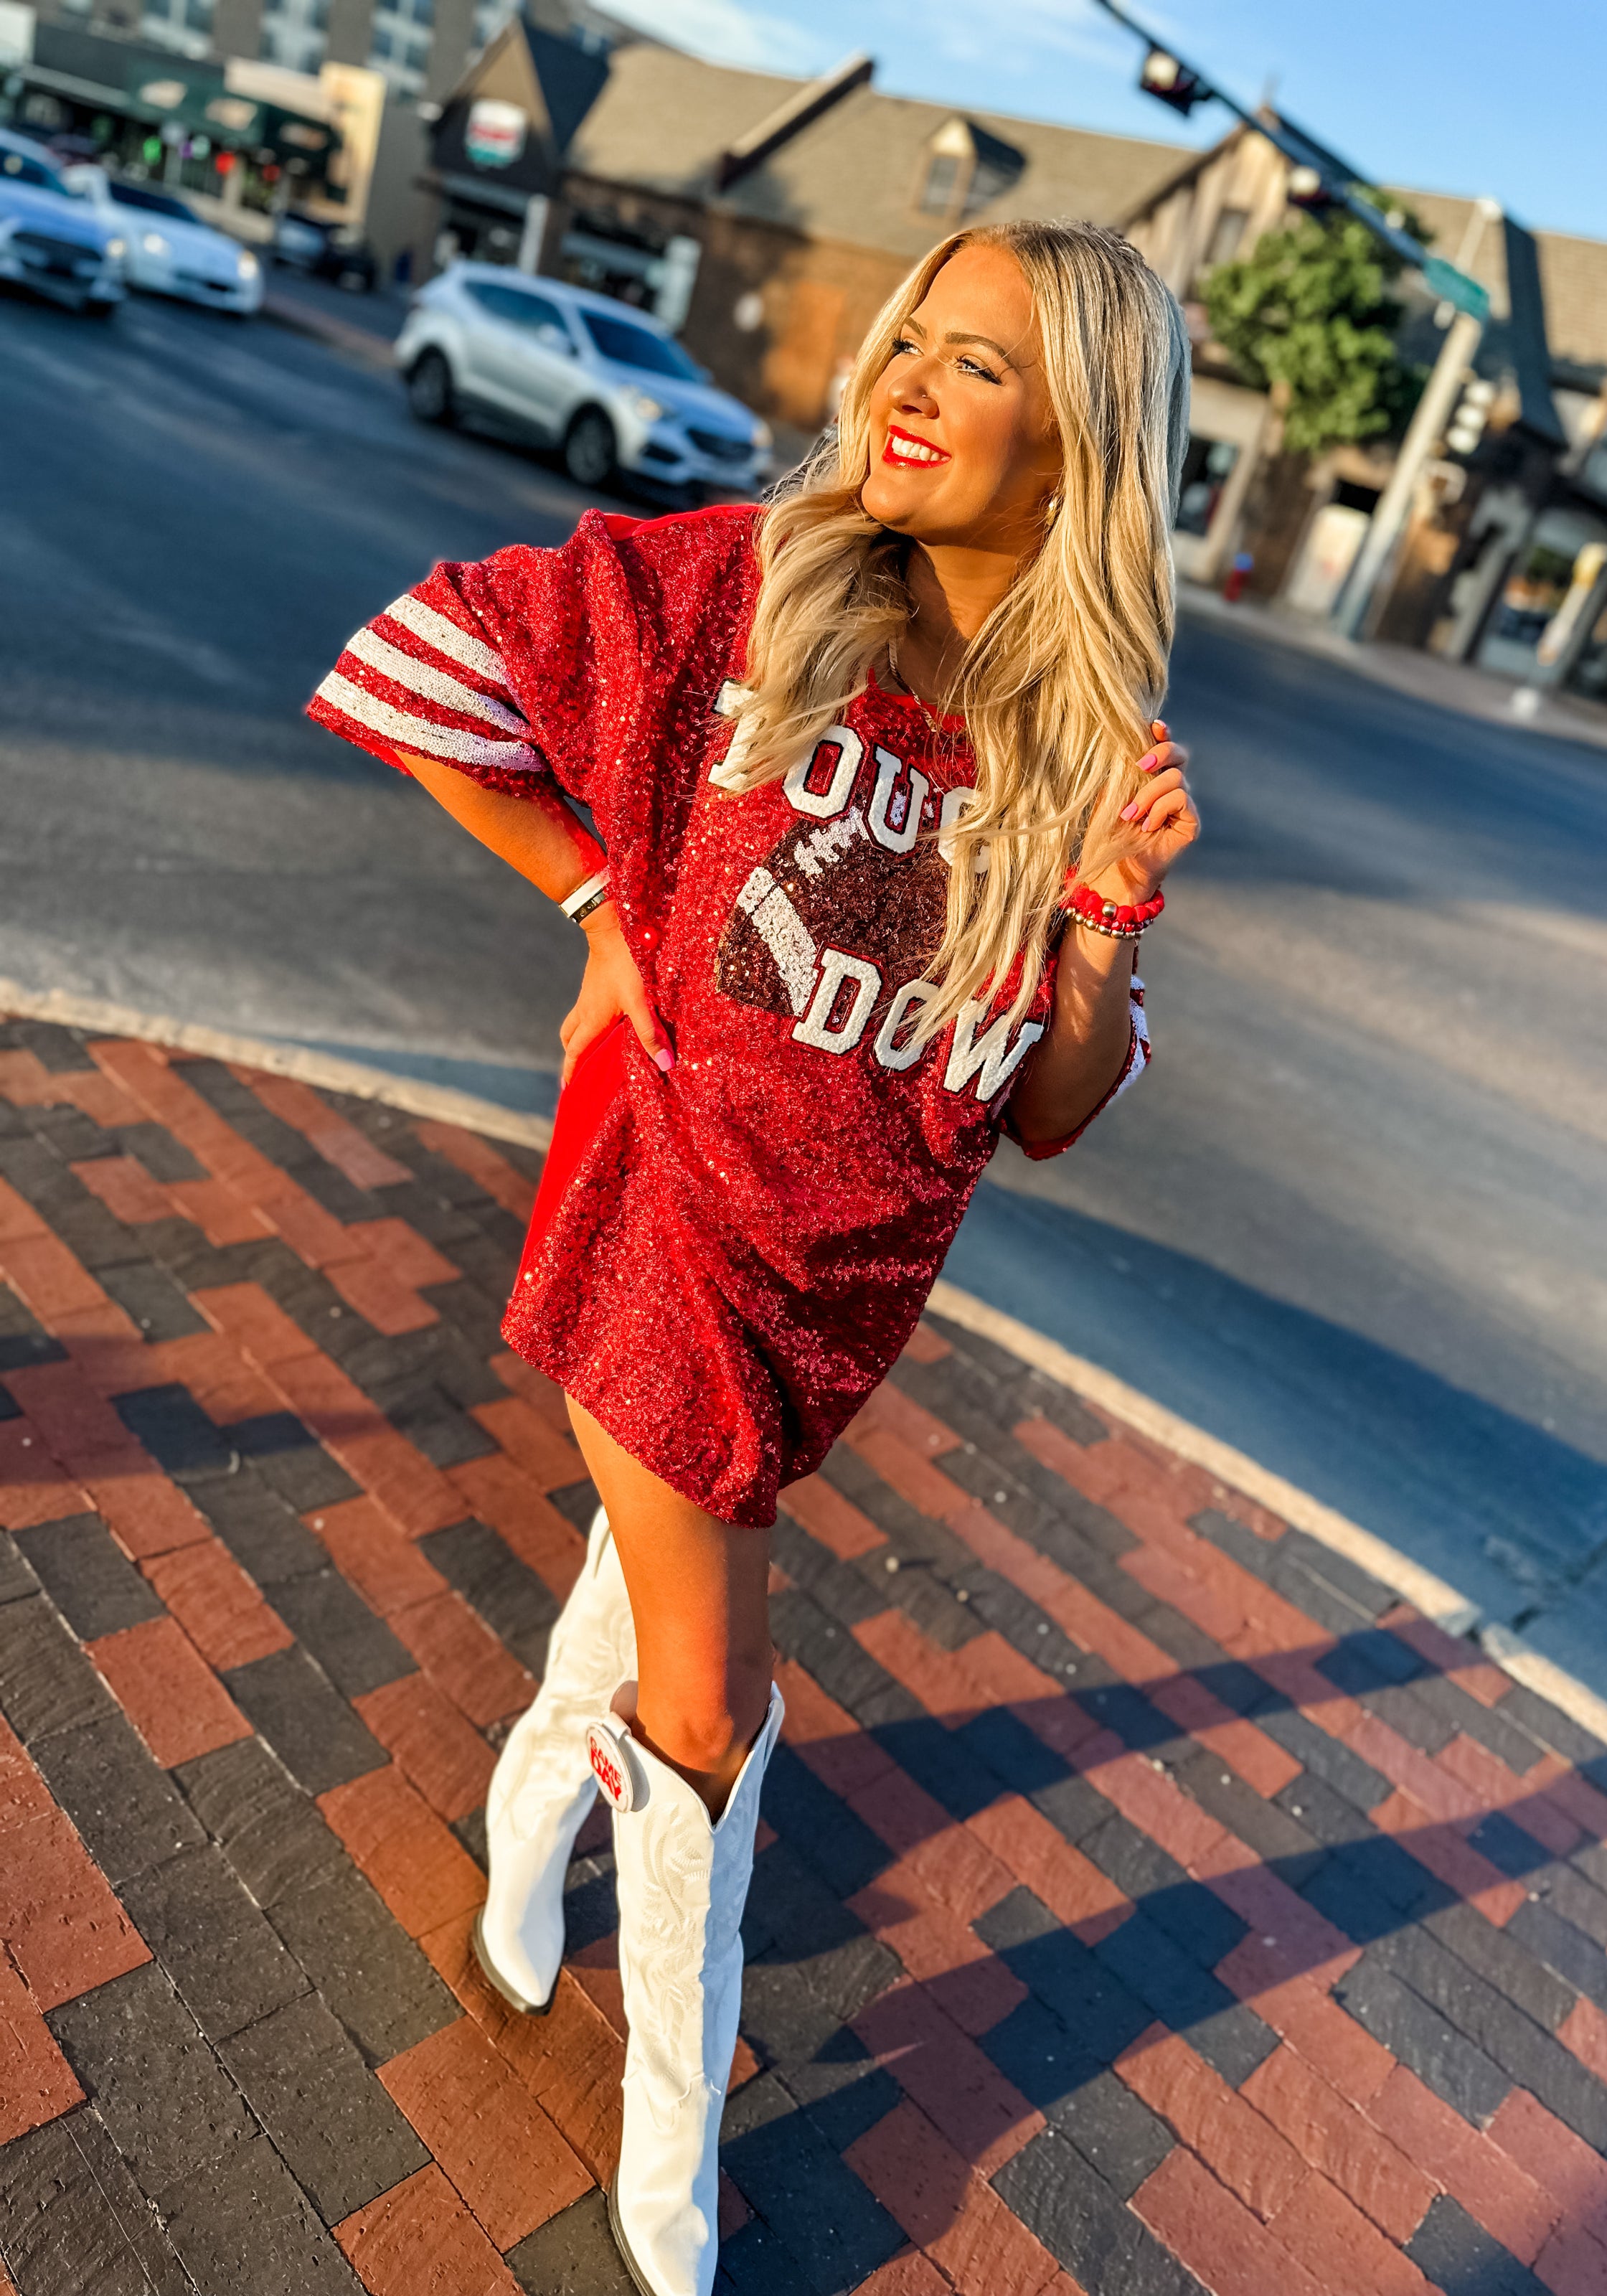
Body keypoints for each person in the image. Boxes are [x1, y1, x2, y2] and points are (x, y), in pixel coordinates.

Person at [308, 217, 1198, 2296]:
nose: (907, 375)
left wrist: (1109, 916)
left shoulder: (1087, 735)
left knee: (645, 1588)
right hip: (670, 1223)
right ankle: (670, 2138)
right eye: (914, 336)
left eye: (978, 366)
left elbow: (1048, 1103)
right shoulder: (751, 587)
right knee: (708, 1701)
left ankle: (533, 1814)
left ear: (1076, 444)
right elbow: (427, 661)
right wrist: (598, 907)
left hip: (848, 1282)